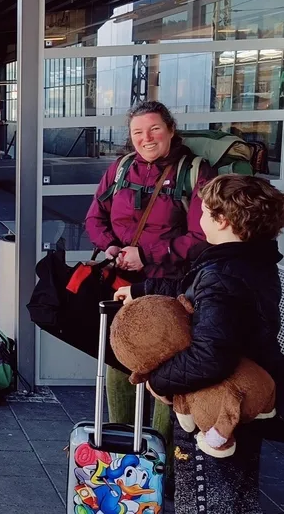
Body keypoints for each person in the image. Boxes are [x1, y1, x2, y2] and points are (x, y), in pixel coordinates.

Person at [114, 174, 284, 513]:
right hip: (245, 403)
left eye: (204, 211)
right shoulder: (250, 260)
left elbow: (210, 356)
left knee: (207, 499)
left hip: (216, 404)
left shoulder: (221, 274)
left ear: (223, 220)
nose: (199, 218)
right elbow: (193, 293)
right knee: (238, 494)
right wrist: (142, 290)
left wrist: (158, 380)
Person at [85, 100, 217, 483]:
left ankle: (161, 461)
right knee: (117, 360)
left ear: (171, 130)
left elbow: (202, 236)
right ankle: (119, 451)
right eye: (138, 132)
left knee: (166, 370)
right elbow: (94, 216)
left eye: (155, 129)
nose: (146, 138)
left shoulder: (194, 173)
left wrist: (146, 255)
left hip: (171, 288)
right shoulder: (121, 168)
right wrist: (112, 248)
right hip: (123, 284)